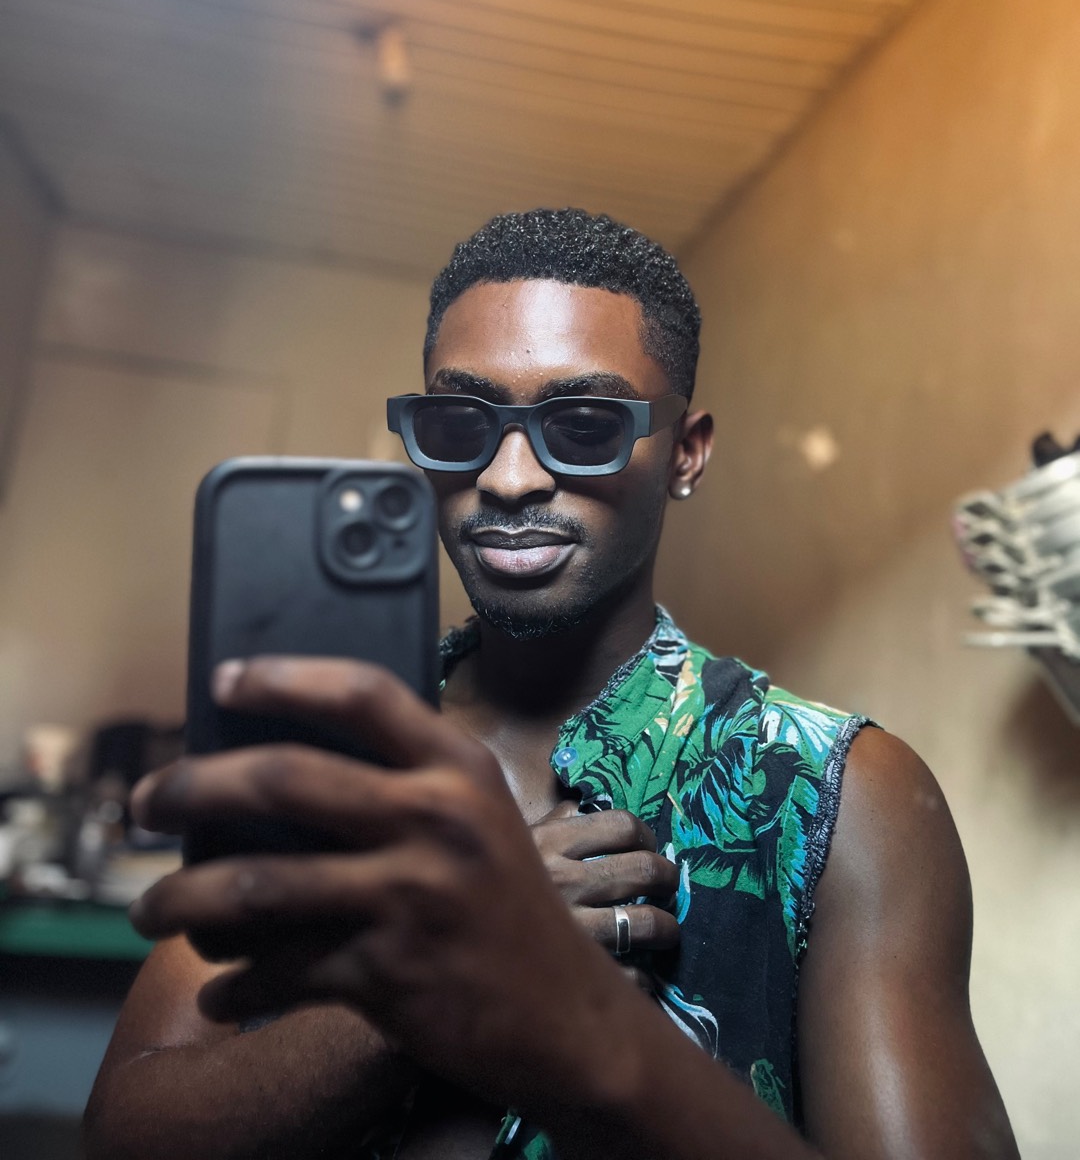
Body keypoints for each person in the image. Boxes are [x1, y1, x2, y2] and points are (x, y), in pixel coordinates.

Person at [84, 209, 1018, 1160]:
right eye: (461, 423)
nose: (508, 477)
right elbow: (127, 1134)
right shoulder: (321, 738)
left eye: (582, 425)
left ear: (686, 452)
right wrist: (431, 988)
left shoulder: (839, 793)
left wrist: (594, 1039)